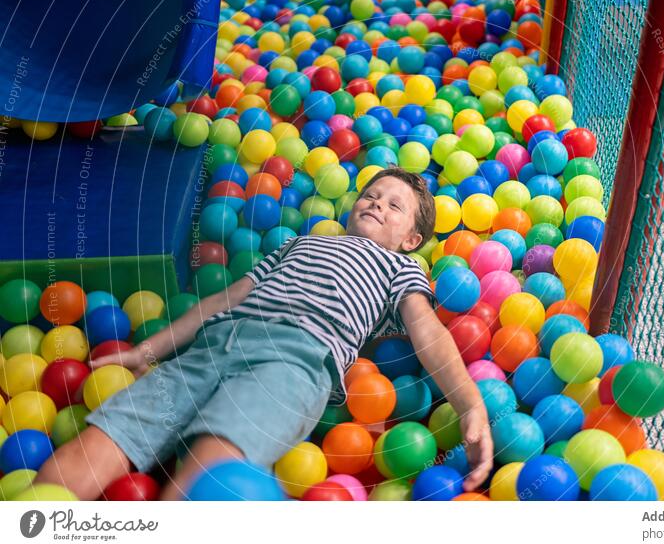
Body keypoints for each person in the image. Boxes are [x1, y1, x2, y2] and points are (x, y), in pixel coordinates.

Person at [35, 167, 493, 500]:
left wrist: (469, 404)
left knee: (211, 464)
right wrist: (146, 352)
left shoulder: (399, 267)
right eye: (371, 195)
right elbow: (226, 297)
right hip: (212, 347)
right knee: (106, 435)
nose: (377, 204)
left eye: (395, 206)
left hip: (293, 363)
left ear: (412, 239)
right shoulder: (302, 242)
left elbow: (427, 330)